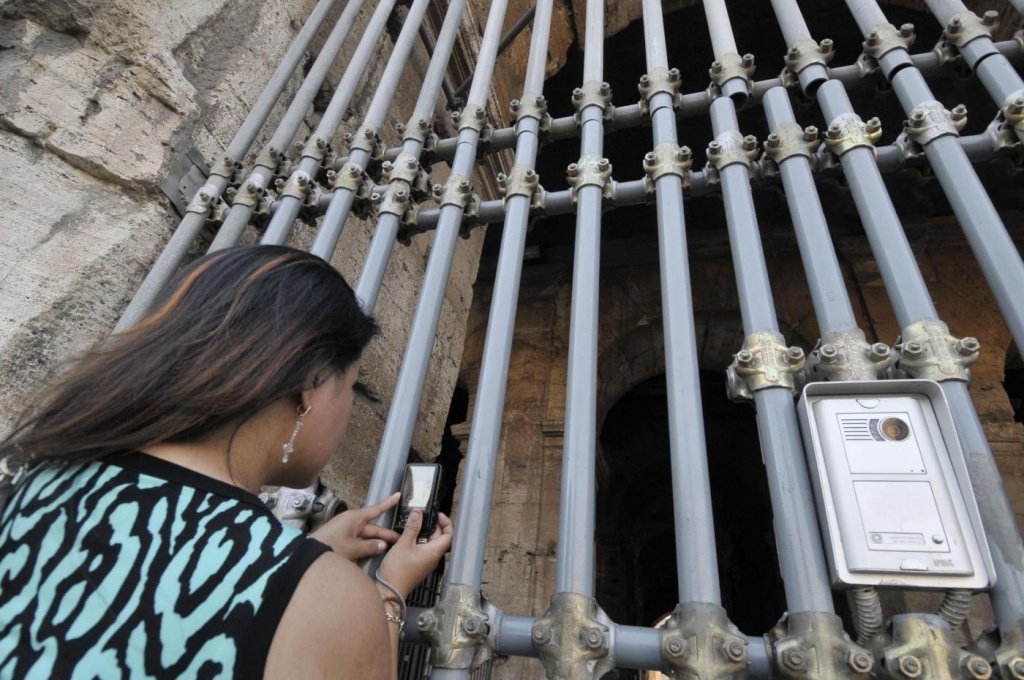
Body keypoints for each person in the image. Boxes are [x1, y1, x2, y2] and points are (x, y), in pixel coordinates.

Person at [0, 245, 452, 679]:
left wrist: (305, 558)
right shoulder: (331, 602)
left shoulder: (21, 477)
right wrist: (386, 591)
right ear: (311, 385)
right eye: (350, 388)